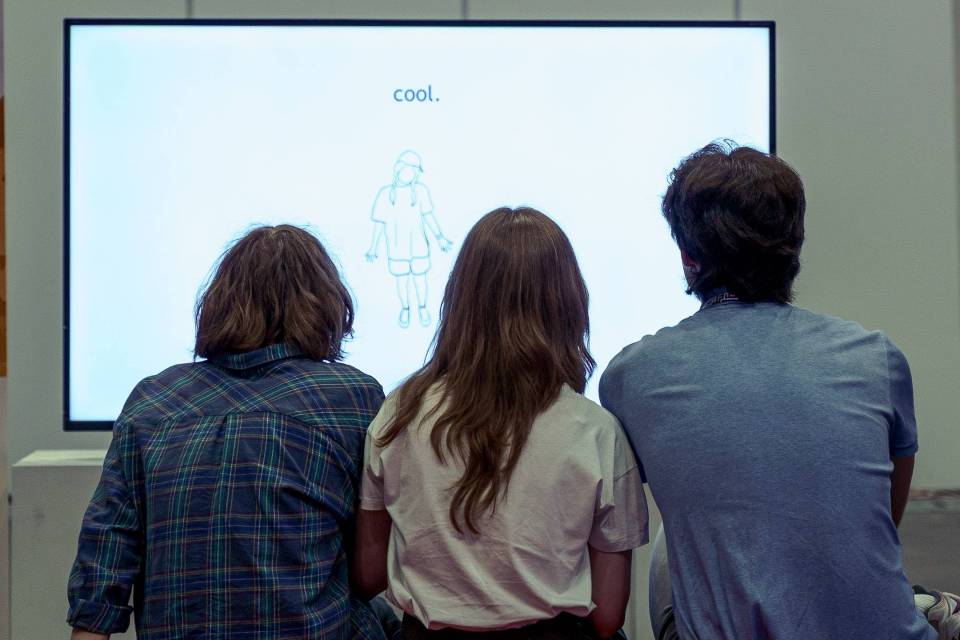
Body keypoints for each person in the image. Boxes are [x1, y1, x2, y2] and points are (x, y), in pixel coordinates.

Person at [599, 142, 937, 639]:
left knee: (679, 533)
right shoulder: (876, 358)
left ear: (688, 257)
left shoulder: (631, 375)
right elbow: (884, 516)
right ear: (794, 245)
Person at [67, 225, 389, 640]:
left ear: (218, 302)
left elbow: (108, 545)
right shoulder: (350, 396)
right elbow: (368, 570)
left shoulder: (153, 400)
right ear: (327, 305)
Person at [352, 207, 649, 639]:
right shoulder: (596, 431)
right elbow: (607, 617)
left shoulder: (399, 415)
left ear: (460, 299)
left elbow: (368, 575)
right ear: (568, 304)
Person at [365, 150, 453, 329]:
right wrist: (373, 248)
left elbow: (428, 217)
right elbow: (379, 224)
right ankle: (405, 309)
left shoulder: (420, 191)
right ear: (399, 168)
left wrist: (440, 238)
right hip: (397, 248)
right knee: (402, 280)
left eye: (415, 170)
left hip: (419, 246)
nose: (412, 173)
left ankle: (422, 308)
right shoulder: (385, 194)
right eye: (410, 169)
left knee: (420, 279)